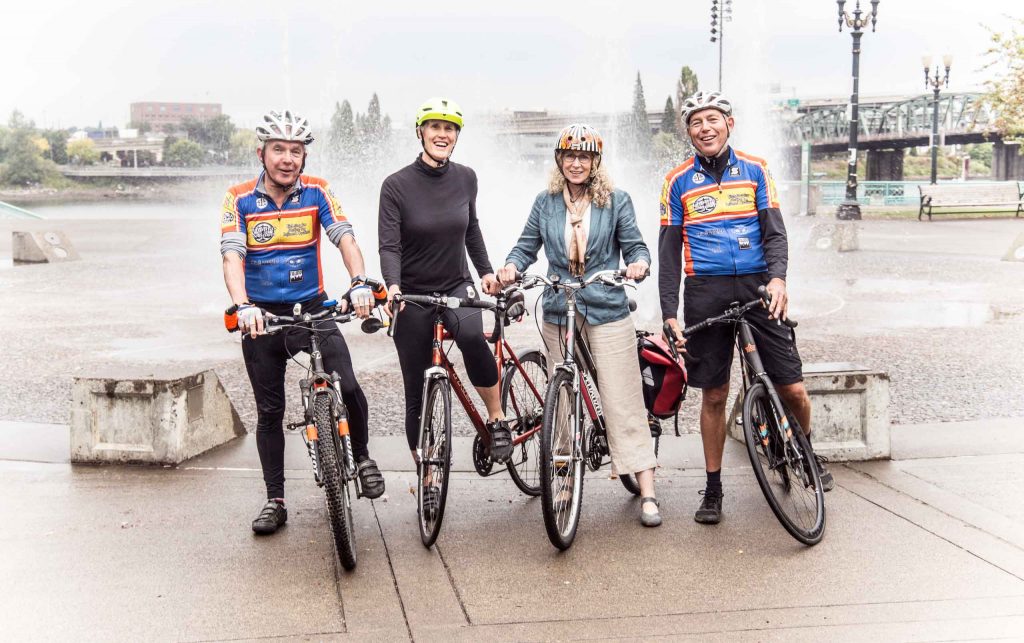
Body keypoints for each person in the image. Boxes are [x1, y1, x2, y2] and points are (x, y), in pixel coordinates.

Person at [658, 91, 834, 526]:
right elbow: (667, 254)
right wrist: (669, 312)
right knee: (714, 394)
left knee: (792, 388)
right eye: (696, 122)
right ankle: (713, 487)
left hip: (759, 287)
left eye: (713, 119)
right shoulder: (676, 180)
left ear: (729, 124)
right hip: (705, 291)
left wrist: (778, 279)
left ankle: (803, 450)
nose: (705, 128)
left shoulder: (756, 169)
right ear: (689, 131)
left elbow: (775, 233)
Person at [220, 108, 385, 535]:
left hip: (311, 309)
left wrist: (360, 282)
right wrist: (242, 307)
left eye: (296, 151)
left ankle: (363, 457)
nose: (288, 158)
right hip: (262, 318)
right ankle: (275, 499)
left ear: (304, 156)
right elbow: (232, 256)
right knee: (270, 411)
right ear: (262, 152)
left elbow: (344, 236)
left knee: (346, 384)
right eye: (279, 150)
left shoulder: (317, 191)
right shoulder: (238, 198)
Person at [497, 124, 662, 527]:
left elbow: (635, 244)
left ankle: (647, 489)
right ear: (559, 160)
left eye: (584, 157)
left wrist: (638, 264)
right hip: (558, 307)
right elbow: (525, 245)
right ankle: (562, 476)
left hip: (605, 306)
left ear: (595, 162)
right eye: (569, 156)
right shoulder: (546, 202)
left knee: (621, 397)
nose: (576, 163)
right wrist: (511, 267)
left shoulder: (616, 200)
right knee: (561, 399)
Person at [378, 97, 511, 474]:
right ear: (421, 132)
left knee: (471, 337)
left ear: (456, 136)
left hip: (456, 285)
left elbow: (471, 228)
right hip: (413, 294)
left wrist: (485, 271)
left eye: (449, 128)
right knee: (415, 388)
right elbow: (389, 245)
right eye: (435, 127)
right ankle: (427, 472)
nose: (442, 134)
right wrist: (392, 286)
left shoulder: (466, 177)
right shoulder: (395, 186)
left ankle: (497, 418)